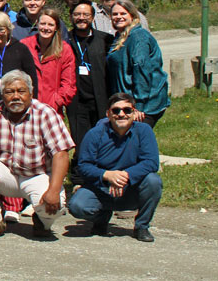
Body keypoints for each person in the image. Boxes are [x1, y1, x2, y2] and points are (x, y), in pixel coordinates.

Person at [0, 70, 75, 240]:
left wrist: (54, 190)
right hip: (6, 173)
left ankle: (43, 221)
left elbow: (61, 155)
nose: (16, 96)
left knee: (57, 203)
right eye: (10, 92)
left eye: (21, 91)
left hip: (37, 175)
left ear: (31, 93)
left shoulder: (45, 113)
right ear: (2, 94)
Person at [69, 94, 163, 242]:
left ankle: (141, 226)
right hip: (101, 188)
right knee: (77, 206)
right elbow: (83, 166)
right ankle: (101, 218)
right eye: (116, 110)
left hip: (131, 188)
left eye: (127, 110)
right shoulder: (94, 134)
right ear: (108, 113)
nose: (121, 114)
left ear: (134, 112)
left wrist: (125, 176)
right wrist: (107, 175)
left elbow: (151, 162)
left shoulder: (144, 131)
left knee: (153, 181)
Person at [106, 0, 169, 127]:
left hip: (143, 103)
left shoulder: (138, 37)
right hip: (126, 101)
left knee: (135, 141)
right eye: (115, 14)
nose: (118, 17)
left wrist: (138, 106)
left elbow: (141, 70)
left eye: (123, 13)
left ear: (132, 15)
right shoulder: (121, 36)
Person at [67, 0, 115, 150]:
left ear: (93, 17)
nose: (81, 18)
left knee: (103, 140)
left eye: (85, 14)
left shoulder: (105, 40)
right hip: (76, 102)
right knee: (80, 142)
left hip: (100, 100)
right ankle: (81, 169)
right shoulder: (65, 40)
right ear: (71, 17)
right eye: (77, 14)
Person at [20, 7, 75, 113]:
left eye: (50, 25)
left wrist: (57, 101)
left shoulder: (65, 50)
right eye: (43, 23)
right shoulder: (24, 45)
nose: (46, 28)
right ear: (37, 24)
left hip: (52, 109)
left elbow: (69, 83)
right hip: (26, 108)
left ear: (56, 27)